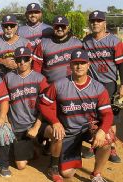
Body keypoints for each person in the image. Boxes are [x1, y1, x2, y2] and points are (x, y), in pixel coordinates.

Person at [39, 49, 114, 181]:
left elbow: (107, 114)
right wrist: (55, 121)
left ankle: (96, 174)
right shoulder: (59, 84)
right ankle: (57, 163)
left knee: (107, 139)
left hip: (88, 128)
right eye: (75, 63)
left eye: (82, 63)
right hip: (68, 131)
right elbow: (44, 104)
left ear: (88, 65)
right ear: (70, 65)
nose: (79, 66)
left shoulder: (98, 88)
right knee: (67, 173)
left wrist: (102, 131)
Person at [82, 10, 123, 162]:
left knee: (110, 117)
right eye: (93, 21)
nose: (95, 23)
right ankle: (95, 145)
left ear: (104, 23)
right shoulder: (86, 41)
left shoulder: (114, 41)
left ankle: (111, 148)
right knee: (93, 117)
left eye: (98, 21)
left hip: (109, 84)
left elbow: (121, 64)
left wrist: (122, 85)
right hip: (92, 85)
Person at [3, 47, 49, 170]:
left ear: (31, 59)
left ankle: (49, 151)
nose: (22, 62)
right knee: (21, 165)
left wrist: (36, 126)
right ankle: (34, 147)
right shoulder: (8, 77)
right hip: (18, 125)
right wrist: (6, 119)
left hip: (36, 123)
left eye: (25, 59)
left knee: (54, 132)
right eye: (19, 60)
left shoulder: (40, 78)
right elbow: (4, 101)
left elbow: (46, 105)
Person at [33, 16, 83, 83]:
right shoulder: (43, 44)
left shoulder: (77, 44)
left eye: (62, 26)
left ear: (68, 27)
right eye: (57, 26)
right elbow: (36, 67)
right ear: (53, 27)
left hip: (73, 86)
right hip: (51, 86)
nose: (59, 29)